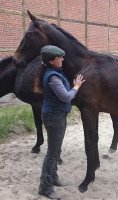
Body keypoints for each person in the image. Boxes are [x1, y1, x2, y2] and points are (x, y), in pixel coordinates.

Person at [36, 45, 85, 199]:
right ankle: (45, 187)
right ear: (51, 60)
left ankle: (53, 177)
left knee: (56, 151)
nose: (63, 59)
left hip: (57, 115)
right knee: (52, 153)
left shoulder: (56, 72)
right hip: (53, 116)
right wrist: (76, 86)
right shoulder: (53, 77)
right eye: (60, 57)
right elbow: (65, 96)